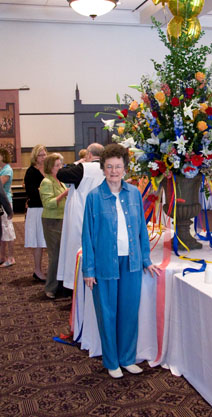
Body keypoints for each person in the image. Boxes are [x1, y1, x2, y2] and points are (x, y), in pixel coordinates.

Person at [82, 144, 159, 379]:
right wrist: (89, 269)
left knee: (128, 312)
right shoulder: (94, 197)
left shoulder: (134, 193)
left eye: (118, 167)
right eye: (109, 167)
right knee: (107, 314)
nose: (114, 171)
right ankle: (112, 361)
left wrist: (146, 258)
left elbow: (140, 230)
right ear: (103, 169)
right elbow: (88, 235)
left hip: (132, 263)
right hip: (105, 263)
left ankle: (127, 358)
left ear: (125, 169)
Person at [56, 143, 105, 290]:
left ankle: (76, 285)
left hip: (81, 214)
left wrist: (79, 162)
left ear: (89, 155)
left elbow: (61, 174)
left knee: (78, 250)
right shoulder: (109, 168)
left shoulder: (83, 168)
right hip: (101, 213)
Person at [39, 153, 68, 299]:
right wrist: (65, 194)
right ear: (50, 167)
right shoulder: (47, 182)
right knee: (55, 256)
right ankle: (50, 287)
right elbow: (48, 203)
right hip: (51, 221)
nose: (60, 167)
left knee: (62, 254)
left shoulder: (60, 181)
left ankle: (60, 286)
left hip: (62, 220)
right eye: (57, 165)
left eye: (61, 165)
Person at [24, 144, 48, 281]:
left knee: (48, 242)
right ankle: (37, 270)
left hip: (49, 208)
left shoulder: (49, 170)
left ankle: (49, 270)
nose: (43, 157)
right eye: (40, 155)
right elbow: (31, 192)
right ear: (35, 157)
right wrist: (45, 193)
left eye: (45, 154)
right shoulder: (31, 172)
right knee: (38, 242)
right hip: (36, 209)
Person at [0, 148, 16, 267]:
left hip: (5, 203)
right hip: (1, 202)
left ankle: (11, 258)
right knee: (2, 230)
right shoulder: (2, 169)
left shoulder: (7, 169)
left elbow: (1, 185)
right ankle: (2, 256)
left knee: (8, 229)